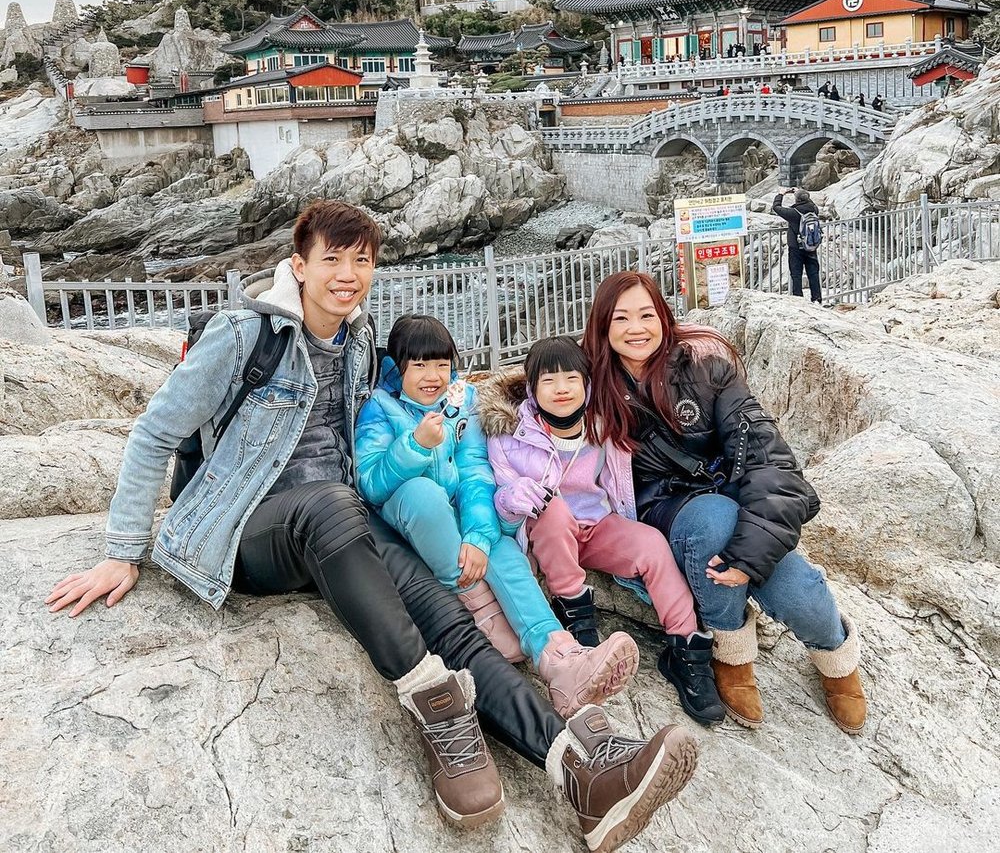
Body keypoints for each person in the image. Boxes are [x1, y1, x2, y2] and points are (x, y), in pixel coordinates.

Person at [46, 201, 698, 849]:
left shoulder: (359, 339)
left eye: (361, 260)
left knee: (446, 616)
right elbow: (154, 432)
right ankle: (437, 709)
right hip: (248, 529)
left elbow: (417, 391)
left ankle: (580, 773)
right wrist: (123, 549)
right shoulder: (243, 334)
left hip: (345, 529)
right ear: (298, 265)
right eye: (331, 259)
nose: (347, 274)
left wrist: (484, 400)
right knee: (329, 504)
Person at [581, 271, 866, 736]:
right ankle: (731, 651)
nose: (636, 329)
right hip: (664, 511)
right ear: (602, 325)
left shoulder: (706, 369)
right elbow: (535, 401)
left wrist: (750, 557)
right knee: (713, 520)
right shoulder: (591, 385)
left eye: (647, 315)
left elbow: (767, 458)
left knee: (799, 588)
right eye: (621, 318)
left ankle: (837, 659)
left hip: (731, 497)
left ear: (664, 317)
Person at [355, 315, 640, 720]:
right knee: (422, 494)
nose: (432, 376)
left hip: (460, 518)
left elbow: (475, 471)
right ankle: (479, 607)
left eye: (441, 364)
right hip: (412, 524)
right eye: (419, 365)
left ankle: (561, 661)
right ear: (396, 368)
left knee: (503, 550)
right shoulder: (380, 408)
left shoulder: (462, 402)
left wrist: (478, 536)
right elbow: (371, 483)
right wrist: (415, 445)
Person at [480, 336, 723, 727]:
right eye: (548, 381)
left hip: (598, 525)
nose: (561, 389)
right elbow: (502, 496)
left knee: (651, 545)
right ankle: (576, 611)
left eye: (571, 378)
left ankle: (687, 649)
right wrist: (513, 496)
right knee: (553, 508)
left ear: (587, 383)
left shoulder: (603, 422)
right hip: (547, 531)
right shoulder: (510, 434)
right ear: (531, 389)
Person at [772, 186, 822, 303]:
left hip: (796, 247)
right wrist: (800, 192)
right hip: (811, 246)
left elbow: (776, 207)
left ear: (797, 200)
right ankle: (817, 298)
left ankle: (798, 299)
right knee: (813, 273)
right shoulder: (814, 209)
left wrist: (780, 194)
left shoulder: (793, 213)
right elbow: (810, 202)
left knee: (796, 274)